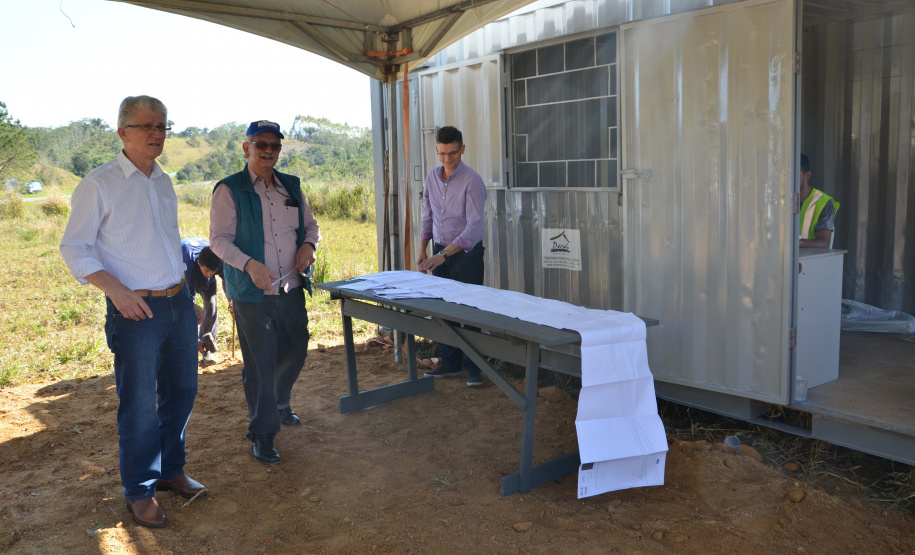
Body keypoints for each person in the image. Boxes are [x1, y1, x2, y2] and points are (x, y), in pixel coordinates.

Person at [59, 95, 205, 529]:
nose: (156, 134)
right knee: (140, 404)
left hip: (178, 302)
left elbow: (169, 242)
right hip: (135, 310)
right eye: (147, 126)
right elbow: (74, 247)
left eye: (162, 126)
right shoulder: (99, 184)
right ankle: (140, 490)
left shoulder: (163, 180)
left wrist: (186, 294)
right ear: (123, 132)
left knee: (182, 392)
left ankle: (170, 470)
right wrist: (117, 292)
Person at [209, 120, 320, 466]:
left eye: (275, 146)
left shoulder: (291, 186)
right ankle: (262, 434)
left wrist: (309, 246)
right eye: (261, 145)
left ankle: (280, 401)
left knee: (296, 349)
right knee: (260, 363)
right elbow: (219, 241)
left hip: (290, 286)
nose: (269, 151)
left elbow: (312, 226)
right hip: (251, 292)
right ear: (247, 149)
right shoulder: (229, 189)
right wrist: (250, 265)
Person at [417, 126, 487, 387]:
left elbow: (474, 228)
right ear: (436, 150)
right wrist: (423, 249)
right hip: (439, 250)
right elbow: (428, 215)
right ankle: (450, 363)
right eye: (442, 153)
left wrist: (443, 255)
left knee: (469, 310)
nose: (448, 159)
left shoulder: (472, 181)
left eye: (453, 153)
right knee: (444, 309)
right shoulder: (431, 178)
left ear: (462, 149)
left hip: (466, 254)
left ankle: (473, 368)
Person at [181, 238, 224, 366]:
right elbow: (188, 304)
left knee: (211, 306)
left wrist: (231, 302)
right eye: (207, 271)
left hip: (202, 268)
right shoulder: (188, 267)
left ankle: (207, 348)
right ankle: (191, 346)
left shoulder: (218, 261)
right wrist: (194, 339)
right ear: (199, 262)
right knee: (191, 312)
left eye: (212, 272)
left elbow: (227, 280)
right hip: (185, 277)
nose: (209, 275)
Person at [799, 153, 840, 249]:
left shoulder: (823, 203)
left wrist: (796, 243)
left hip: (809, 258)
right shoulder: (779, 200)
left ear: (807, 175)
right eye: (784, 175)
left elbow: (824, 243)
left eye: (793, 175)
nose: (787, 180)